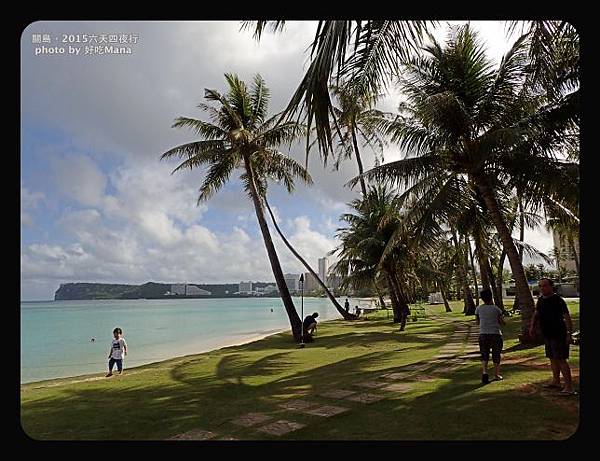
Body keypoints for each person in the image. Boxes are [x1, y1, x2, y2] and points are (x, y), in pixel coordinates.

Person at [529, 278, 576, 395]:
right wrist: (532, 327)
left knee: (561, 360)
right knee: (552, 358)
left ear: (551, 286)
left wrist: (569, 334)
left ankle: (569, 387)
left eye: (544, 285)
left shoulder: (558, 300)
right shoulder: (540, 300)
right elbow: (536, 314)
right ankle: (556, 381)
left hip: (559, 334)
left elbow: (567, 317)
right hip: (547, 334)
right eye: (540, 286)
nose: (542, 288)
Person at [475, 288, 505, 384]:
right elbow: (502, 322)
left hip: (483, 334)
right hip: (495, 334)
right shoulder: (496, 309)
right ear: (491, 297)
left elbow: (477, 322)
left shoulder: (478, 309)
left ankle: (484, 372)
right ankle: (496, 374)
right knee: (496, 354)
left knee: (484, 354)